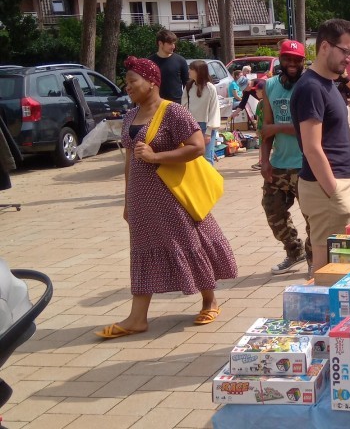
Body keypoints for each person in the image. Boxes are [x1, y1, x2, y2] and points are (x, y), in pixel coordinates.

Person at [95, 56, 236, 339]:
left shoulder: (173, 112)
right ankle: (138, 318)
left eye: (133, 82)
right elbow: (129, 163)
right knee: (142, 250)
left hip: (173, 194)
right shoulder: (129, 117)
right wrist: (126, 200)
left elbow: (197, 147)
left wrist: (156, 156)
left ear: (152, 82)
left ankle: (209, 300)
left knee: (188, 242)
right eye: (127, 82)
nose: (128, 87)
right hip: (141, 197)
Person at [290, 19, 350, 275]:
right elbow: (311, 147)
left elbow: (333, 140)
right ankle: (324, 315)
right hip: (326, 190)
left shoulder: (328, 83)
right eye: (346, 51)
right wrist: (333, 189)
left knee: (344, 268)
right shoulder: (311, 87)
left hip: (339, 183)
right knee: (328, 271)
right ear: (325, 46)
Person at [261, 39, 314, 276]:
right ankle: (294, 251)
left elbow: (309, 127)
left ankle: (314, 259)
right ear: (280, 60)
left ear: (303, 61)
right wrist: (264, 161)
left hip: (306, 164)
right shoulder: (270, 85)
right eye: (287, 59)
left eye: (296, 60)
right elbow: (265, 128)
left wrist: (277, 128)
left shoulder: (309, 86)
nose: (292, 64)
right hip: (279, 165)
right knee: (273, 211)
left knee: (312, 216)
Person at [183, 60, 221, 165]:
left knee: (207, 158)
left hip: (205, 126)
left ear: (199, 71)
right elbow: (184, 107)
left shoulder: (210, 88)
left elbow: (214, 110)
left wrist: (208, 132)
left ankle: (210, 181)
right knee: (193, 159)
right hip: (191, 126)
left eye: (191, 69)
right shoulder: (188, 86)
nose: (189, 71)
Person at [148, 29, 189, 104]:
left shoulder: (180, 61)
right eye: (170, 44)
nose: (173, 46)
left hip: (176, 105)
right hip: (156, 105)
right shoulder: (150, 62)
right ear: (160, 43)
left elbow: (187, 85)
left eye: (174, 43)